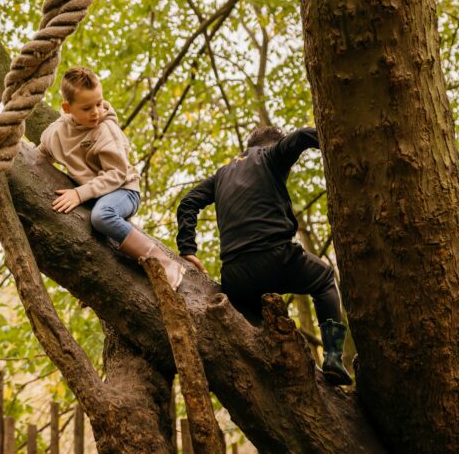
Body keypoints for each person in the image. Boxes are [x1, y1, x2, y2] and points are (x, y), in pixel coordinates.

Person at [176, 125, 352, 385]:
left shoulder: (223, 174)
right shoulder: (271, 155)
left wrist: (187, 249)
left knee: (260, 325)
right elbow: (303, 136)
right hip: (275, 257)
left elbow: (188, 202)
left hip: (235, 277)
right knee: (324, 279)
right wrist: (342, 144)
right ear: (271, 145)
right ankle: (334, 358)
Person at [38, 66, 184, 290]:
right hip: (96, 194)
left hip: (124, 190)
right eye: (87, 108)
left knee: (102, 217)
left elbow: (117, 173)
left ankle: (165, 264)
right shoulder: (55, 133)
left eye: (99, 103)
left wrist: (80, 193)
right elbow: (41, 156)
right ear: (67, 108)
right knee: (89, 229)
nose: (96, 112)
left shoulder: (105, 130)